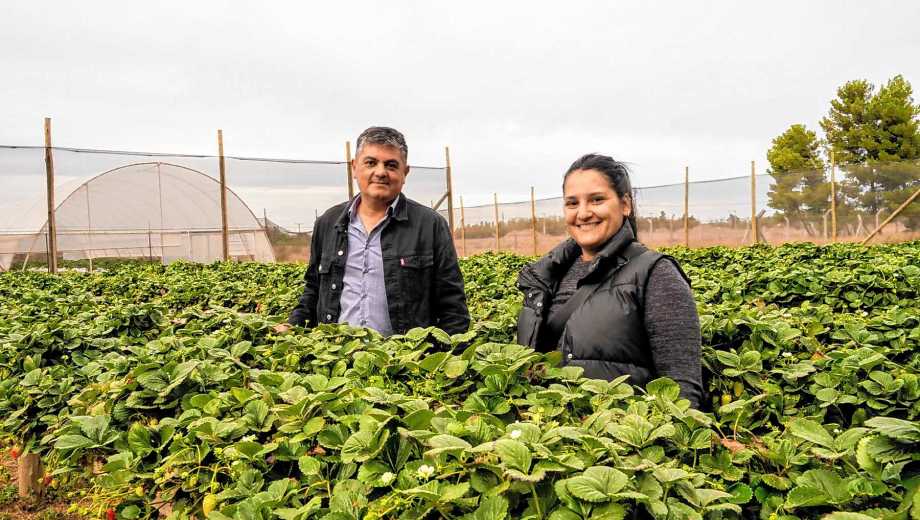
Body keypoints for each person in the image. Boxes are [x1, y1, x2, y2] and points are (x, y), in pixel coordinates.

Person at [516, 154, 703, 408]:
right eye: (572, 203)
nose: (583, 213)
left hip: (619, 431)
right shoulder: (545, 277)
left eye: (597, 200)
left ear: (625, 205)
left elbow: (682, 394)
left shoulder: (656, 274)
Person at [277, 126, 470, 336]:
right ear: (354, 167)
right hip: (337, 351)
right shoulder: (328, 223)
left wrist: (441, 352)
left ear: (405, 173)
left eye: (391, 165)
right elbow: (314, 290)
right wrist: (293, 326)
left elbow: (453, 306)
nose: (380, 172)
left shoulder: (430, 225)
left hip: (406, 355)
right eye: (370, 163)